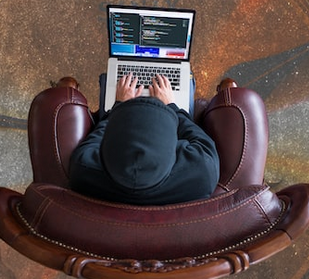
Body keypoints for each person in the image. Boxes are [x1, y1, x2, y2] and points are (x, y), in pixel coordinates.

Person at [67, 73, 220, 205]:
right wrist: (171, 105)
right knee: (188, 83)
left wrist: (119, 105)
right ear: (173, 146)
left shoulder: (82, 168)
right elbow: (196, 135)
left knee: (107, 81)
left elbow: (97, 136)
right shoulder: (203, 171)